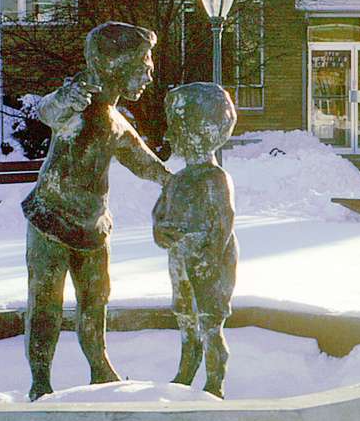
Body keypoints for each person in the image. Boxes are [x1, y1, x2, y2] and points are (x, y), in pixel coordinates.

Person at [22, 21, 171, 401]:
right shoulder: (77, 104)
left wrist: (173, 181)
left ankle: (100, 366)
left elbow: (142, 161)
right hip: (50, 221)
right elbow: (47, 111)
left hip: (92, 227)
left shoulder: (115, 121)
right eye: (144, 67)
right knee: (46, 303)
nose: (149, 77)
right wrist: (67, 96)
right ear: (119, 66)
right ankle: (40, 379)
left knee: (95, 300)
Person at [151, 82, 238, 398]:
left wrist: (210, 261)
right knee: (186, 318)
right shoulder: (178, 180)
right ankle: (187, 367)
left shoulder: (215, 178)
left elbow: (223, 224)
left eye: (178, 127)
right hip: (180, 259)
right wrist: (160, 231)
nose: (170, 135)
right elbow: (159, 214)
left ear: (204, 131)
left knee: (209, 322)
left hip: (208, 264)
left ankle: (215, 378)